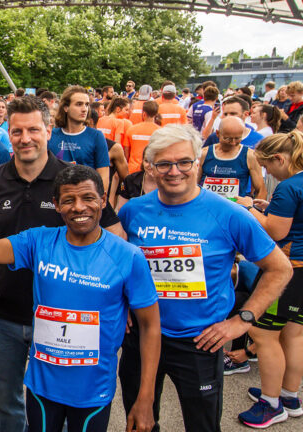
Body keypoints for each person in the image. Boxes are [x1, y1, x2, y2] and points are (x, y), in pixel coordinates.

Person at [0, 95, 124, 432]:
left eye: (33, 130)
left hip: (59, 319)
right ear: (7, 133)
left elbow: (116, 239)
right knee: (9, 407)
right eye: (17, 131)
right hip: (3, 315)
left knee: (59, 411)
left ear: (49, 129)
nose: (25, 138)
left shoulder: (73, 182)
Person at [118, 124, 292, 432]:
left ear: (198, 162)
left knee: (202, 426)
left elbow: (280, 268)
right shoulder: (133, 211)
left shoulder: (229, 214)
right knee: (139, 422)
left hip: (198, 342)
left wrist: (243, 320)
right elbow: (119, 264)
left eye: (184, 162)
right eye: (164, 164)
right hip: (141, 339)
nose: (175, 171)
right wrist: (121, 304)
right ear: (150, 166)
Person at [0, 164, 160, 432]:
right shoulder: (39, 241)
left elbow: (150, 327)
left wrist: (145, 398)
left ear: (103, 200)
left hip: (92, 392)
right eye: (68, 200)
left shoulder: (128, 256)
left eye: (88, 198)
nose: (79, 207)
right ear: (56, 205)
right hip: (42, 388)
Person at [235, 131, 303, 428]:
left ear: (279, 159)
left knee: (264, 336)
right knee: (294, 333)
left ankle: (271, 403)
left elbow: (275, 232)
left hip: (287, 268)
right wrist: (269, 210)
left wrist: (249, 207)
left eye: (267, 166)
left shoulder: (288, 187)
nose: (266, 172)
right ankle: (289, 395)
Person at [49, 86, 111, 192]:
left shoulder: (96, 136)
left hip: (86, 198)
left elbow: (103, 175)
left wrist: (98, 202)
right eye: (79, 104)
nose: (84, 109)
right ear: (66, 107)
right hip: (57, 199)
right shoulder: (51, 135)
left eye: (87, 104)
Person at [198, 117, 267, 200]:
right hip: (208, 206)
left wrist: (252, 209)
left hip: (235, 208)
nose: (233, 143)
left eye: (237, 138)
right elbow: (193, 185)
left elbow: (261, 190)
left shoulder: (249, 155)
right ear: (217, 133)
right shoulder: (204, 154)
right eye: (228, 138)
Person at [125, 101, 161, 173]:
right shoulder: (160, 132)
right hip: (153, 169)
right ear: (156, 114)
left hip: (133, 169)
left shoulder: (131, 129)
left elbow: (126, 153)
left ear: (144, 114)